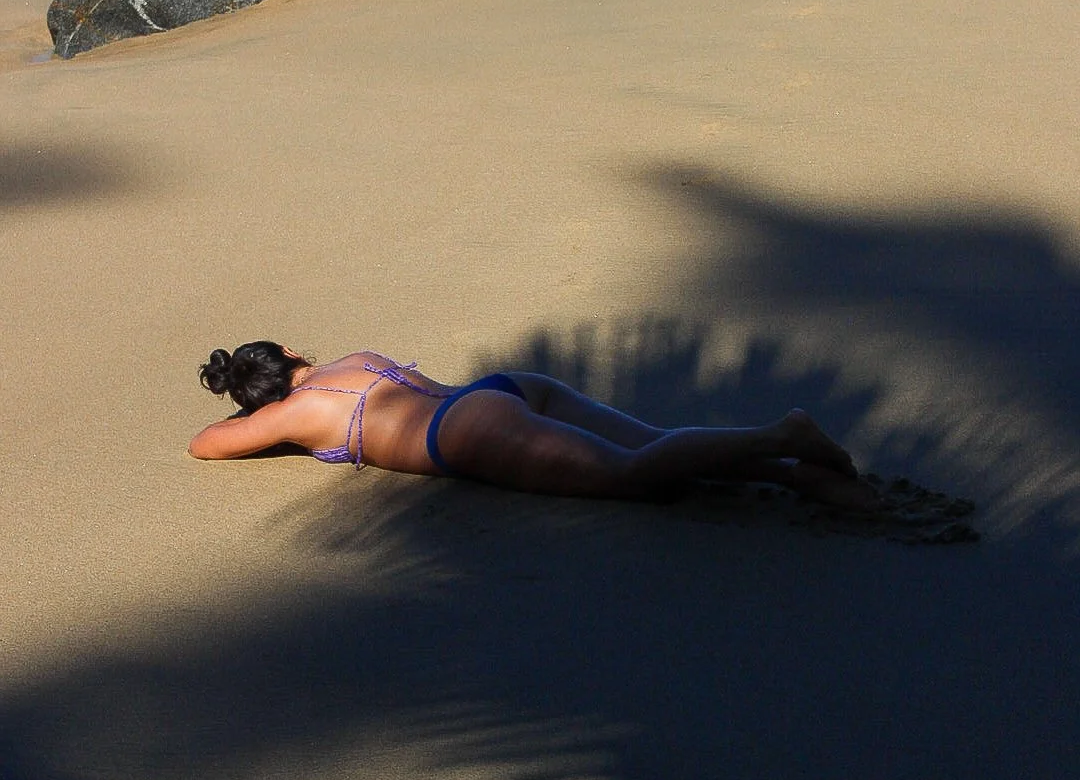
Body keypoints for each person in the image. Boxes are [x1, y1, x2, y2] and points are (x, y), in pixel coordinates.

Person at [190, 340, 879, 511]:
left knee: (632, 475)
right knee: (648, 444)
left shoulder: (291, 416)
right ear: (291, 357)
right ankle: (795, 473)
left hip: (463, 435)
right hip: (505, 389)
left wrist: (257, 415)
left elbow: (206, 445)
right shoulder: (355, 359)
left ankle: (782, 437)